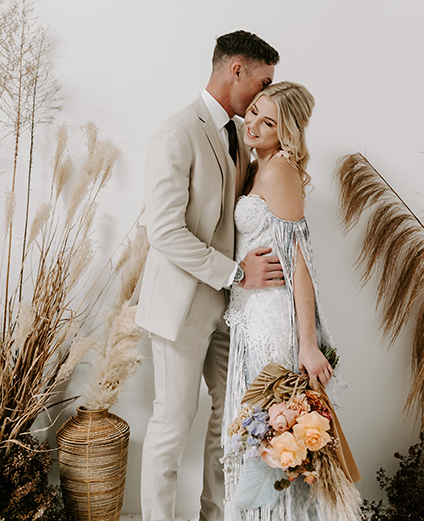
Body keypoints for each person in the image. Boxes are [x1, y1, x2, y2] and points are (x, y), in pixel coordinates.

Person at [136, 30, 283, 521]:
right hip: (181, 307)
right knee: (172, 424)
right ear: (234, 69)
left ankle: (215, 515)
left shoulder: (240, 135)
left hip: (228, 313)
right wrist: (236, 273)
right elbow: (164, 231)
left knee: (233, 420)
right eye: (261, 82)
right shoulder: (176, 131)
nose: (263, 96)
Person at [222, 81, 361, 521]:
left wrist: (306, 344)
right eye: (255, 113)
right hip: (248, 313)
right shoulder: (253, 165)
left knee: (271, 438)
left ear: (288, 135)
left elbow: (301, 261)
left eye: (270, 122)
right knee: (255, 437)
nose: (255, 126)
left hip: (271, 320)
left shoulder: (278, 170)